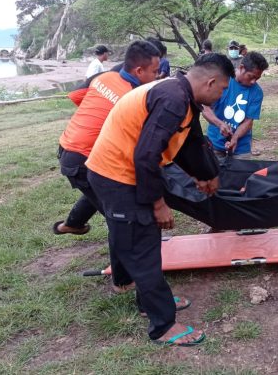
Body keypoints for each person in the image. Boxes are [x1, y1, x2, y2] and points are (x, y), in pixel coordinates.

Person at [86, 53, 235, 346]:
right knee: (143, 244)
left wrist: (206, 174)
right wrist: (158, 204)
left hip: (120, 172)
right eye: (221, 90)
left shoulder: (184, 97)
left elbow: (190, 142)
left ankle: (139, 295)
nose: (220, 96)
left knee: (133, 236)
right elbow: (145, 156)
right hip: (117, 175)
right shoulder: (173, 99)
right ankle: (163, 325)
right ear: (211, 81)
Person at [52, 41, 161, 235]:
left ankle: (73, 224)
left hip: (67, 148)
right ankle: (130, 254)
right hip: (84, 160)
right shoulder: (136, 97)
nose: (158, 77)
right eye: (154, 72)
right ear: (138, 71)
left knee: (98, 188)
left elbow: (76, 96)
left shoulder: (105, 76)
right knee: (122, 212)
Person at [203, 51, 269, 160]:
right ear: (242, 67)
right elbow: (205, 109)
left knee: (240, 175)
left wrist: (235, 138)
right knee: (213, 175)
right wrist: (220, 124)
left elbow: (248, 121)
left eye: (257, 78)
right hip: (215, 143)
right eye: (251, 76)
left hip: (241, 148)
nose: (253, 82)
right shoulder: (223, 80)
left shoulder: (257, 92)